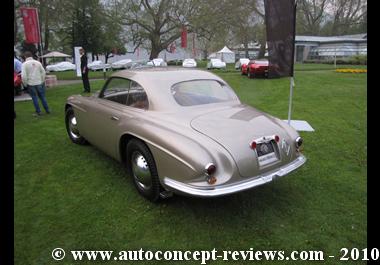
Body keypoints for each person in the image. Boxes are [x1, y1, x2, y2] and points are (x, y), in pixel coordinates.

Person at [21, 51, 50, 116]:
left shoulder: (24, 64)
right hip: (39, 82)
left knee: (34, 97)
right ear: (31, 55)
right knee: (42, 97)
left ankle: (38, 111)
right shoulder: (38, 62)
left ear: (25, 56)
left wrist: (25, 84)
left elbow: (23, 76)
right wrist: (42, 80)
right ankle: (47, 110)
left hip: (31, 83)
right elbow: (43, 72)